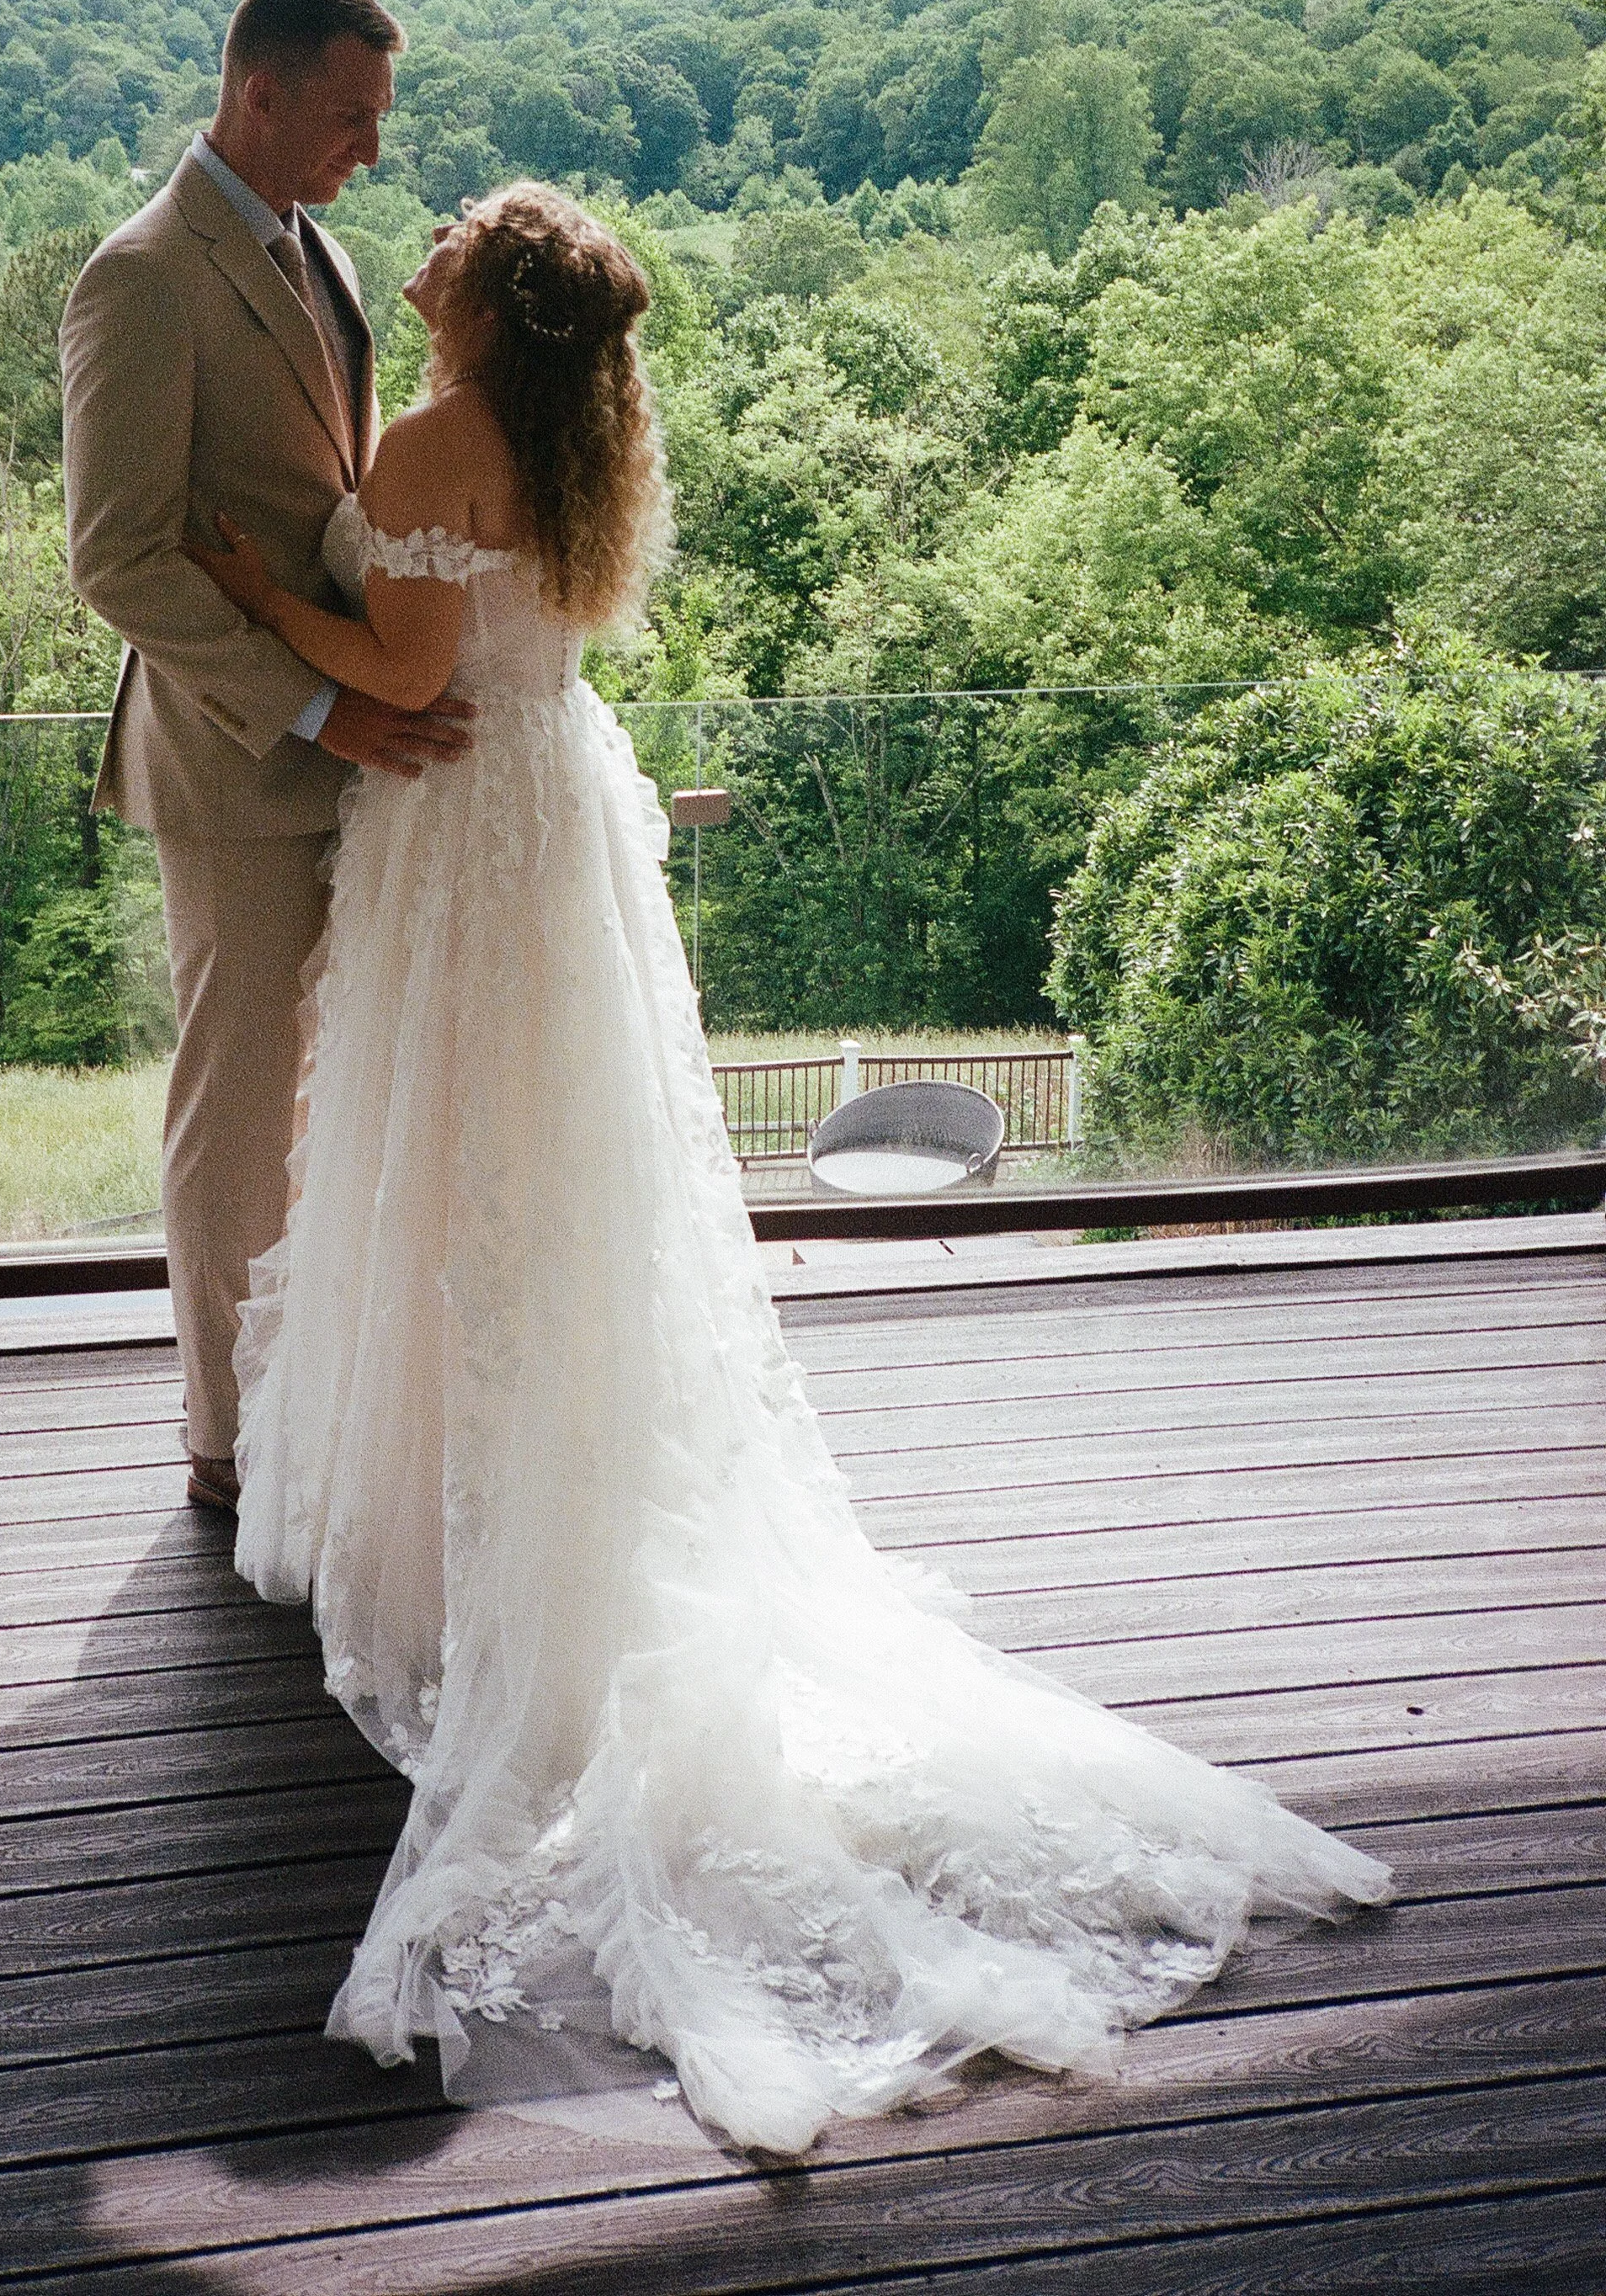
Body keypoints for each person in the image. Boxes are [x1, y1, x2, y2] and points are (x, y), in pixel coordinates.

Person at [185, 178, 1391, 2157]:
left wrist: (250, 587)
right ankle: (528, 1503)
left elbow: (398, 675)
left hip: (463, 839)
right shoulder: (577, 439)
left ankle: (478, 1549)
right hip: (551, 827)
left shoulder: (430, 440)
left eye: (457, 231)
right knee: (553, 1197)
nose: (424, 237)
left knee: (456, 1178)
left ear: (488, 293)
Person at [60, 0, 471, 1515]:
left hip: (361, 746)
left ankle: (320, 1407)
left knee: (324, 1098)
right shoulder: (140, 278)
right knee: (237, 1112)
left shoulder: (325, 254)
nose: (373, 145)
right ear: (261, 91)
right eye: (352, 114)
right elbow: (116, 557)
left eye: (379, 115)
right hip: (239, 763)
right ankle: (229, 1443)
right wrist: (318, 705)